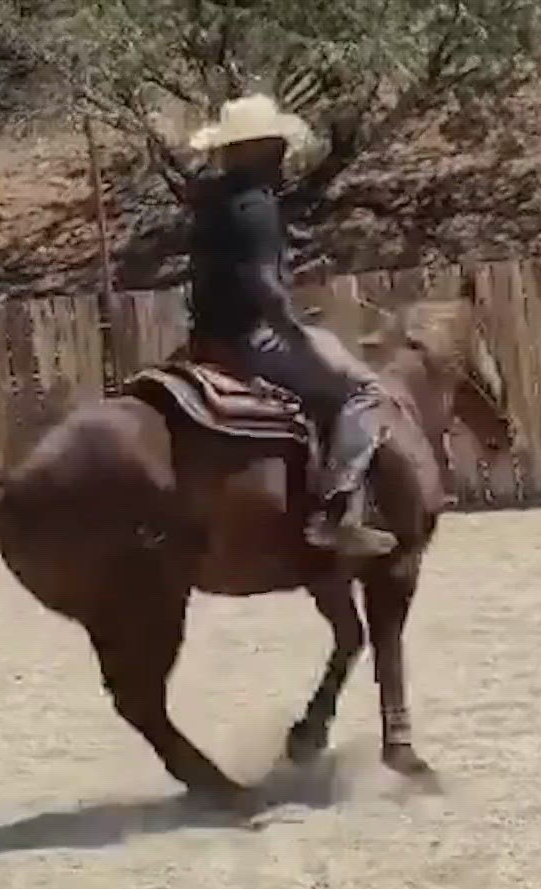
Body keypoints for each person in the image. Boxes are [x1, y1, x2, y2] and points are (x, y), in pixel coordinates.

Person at [183, 94, 397, 558]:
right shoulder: (256, 206)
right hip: (253, 339)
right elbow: (261, 284)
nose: (283, 154)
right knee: (365, 389)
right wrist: (295, 332)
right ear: (257, 150)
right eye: (276, 145)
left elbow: (233, 271)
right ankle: (338, 510)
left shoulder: (211, 201)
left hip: (208, 336)